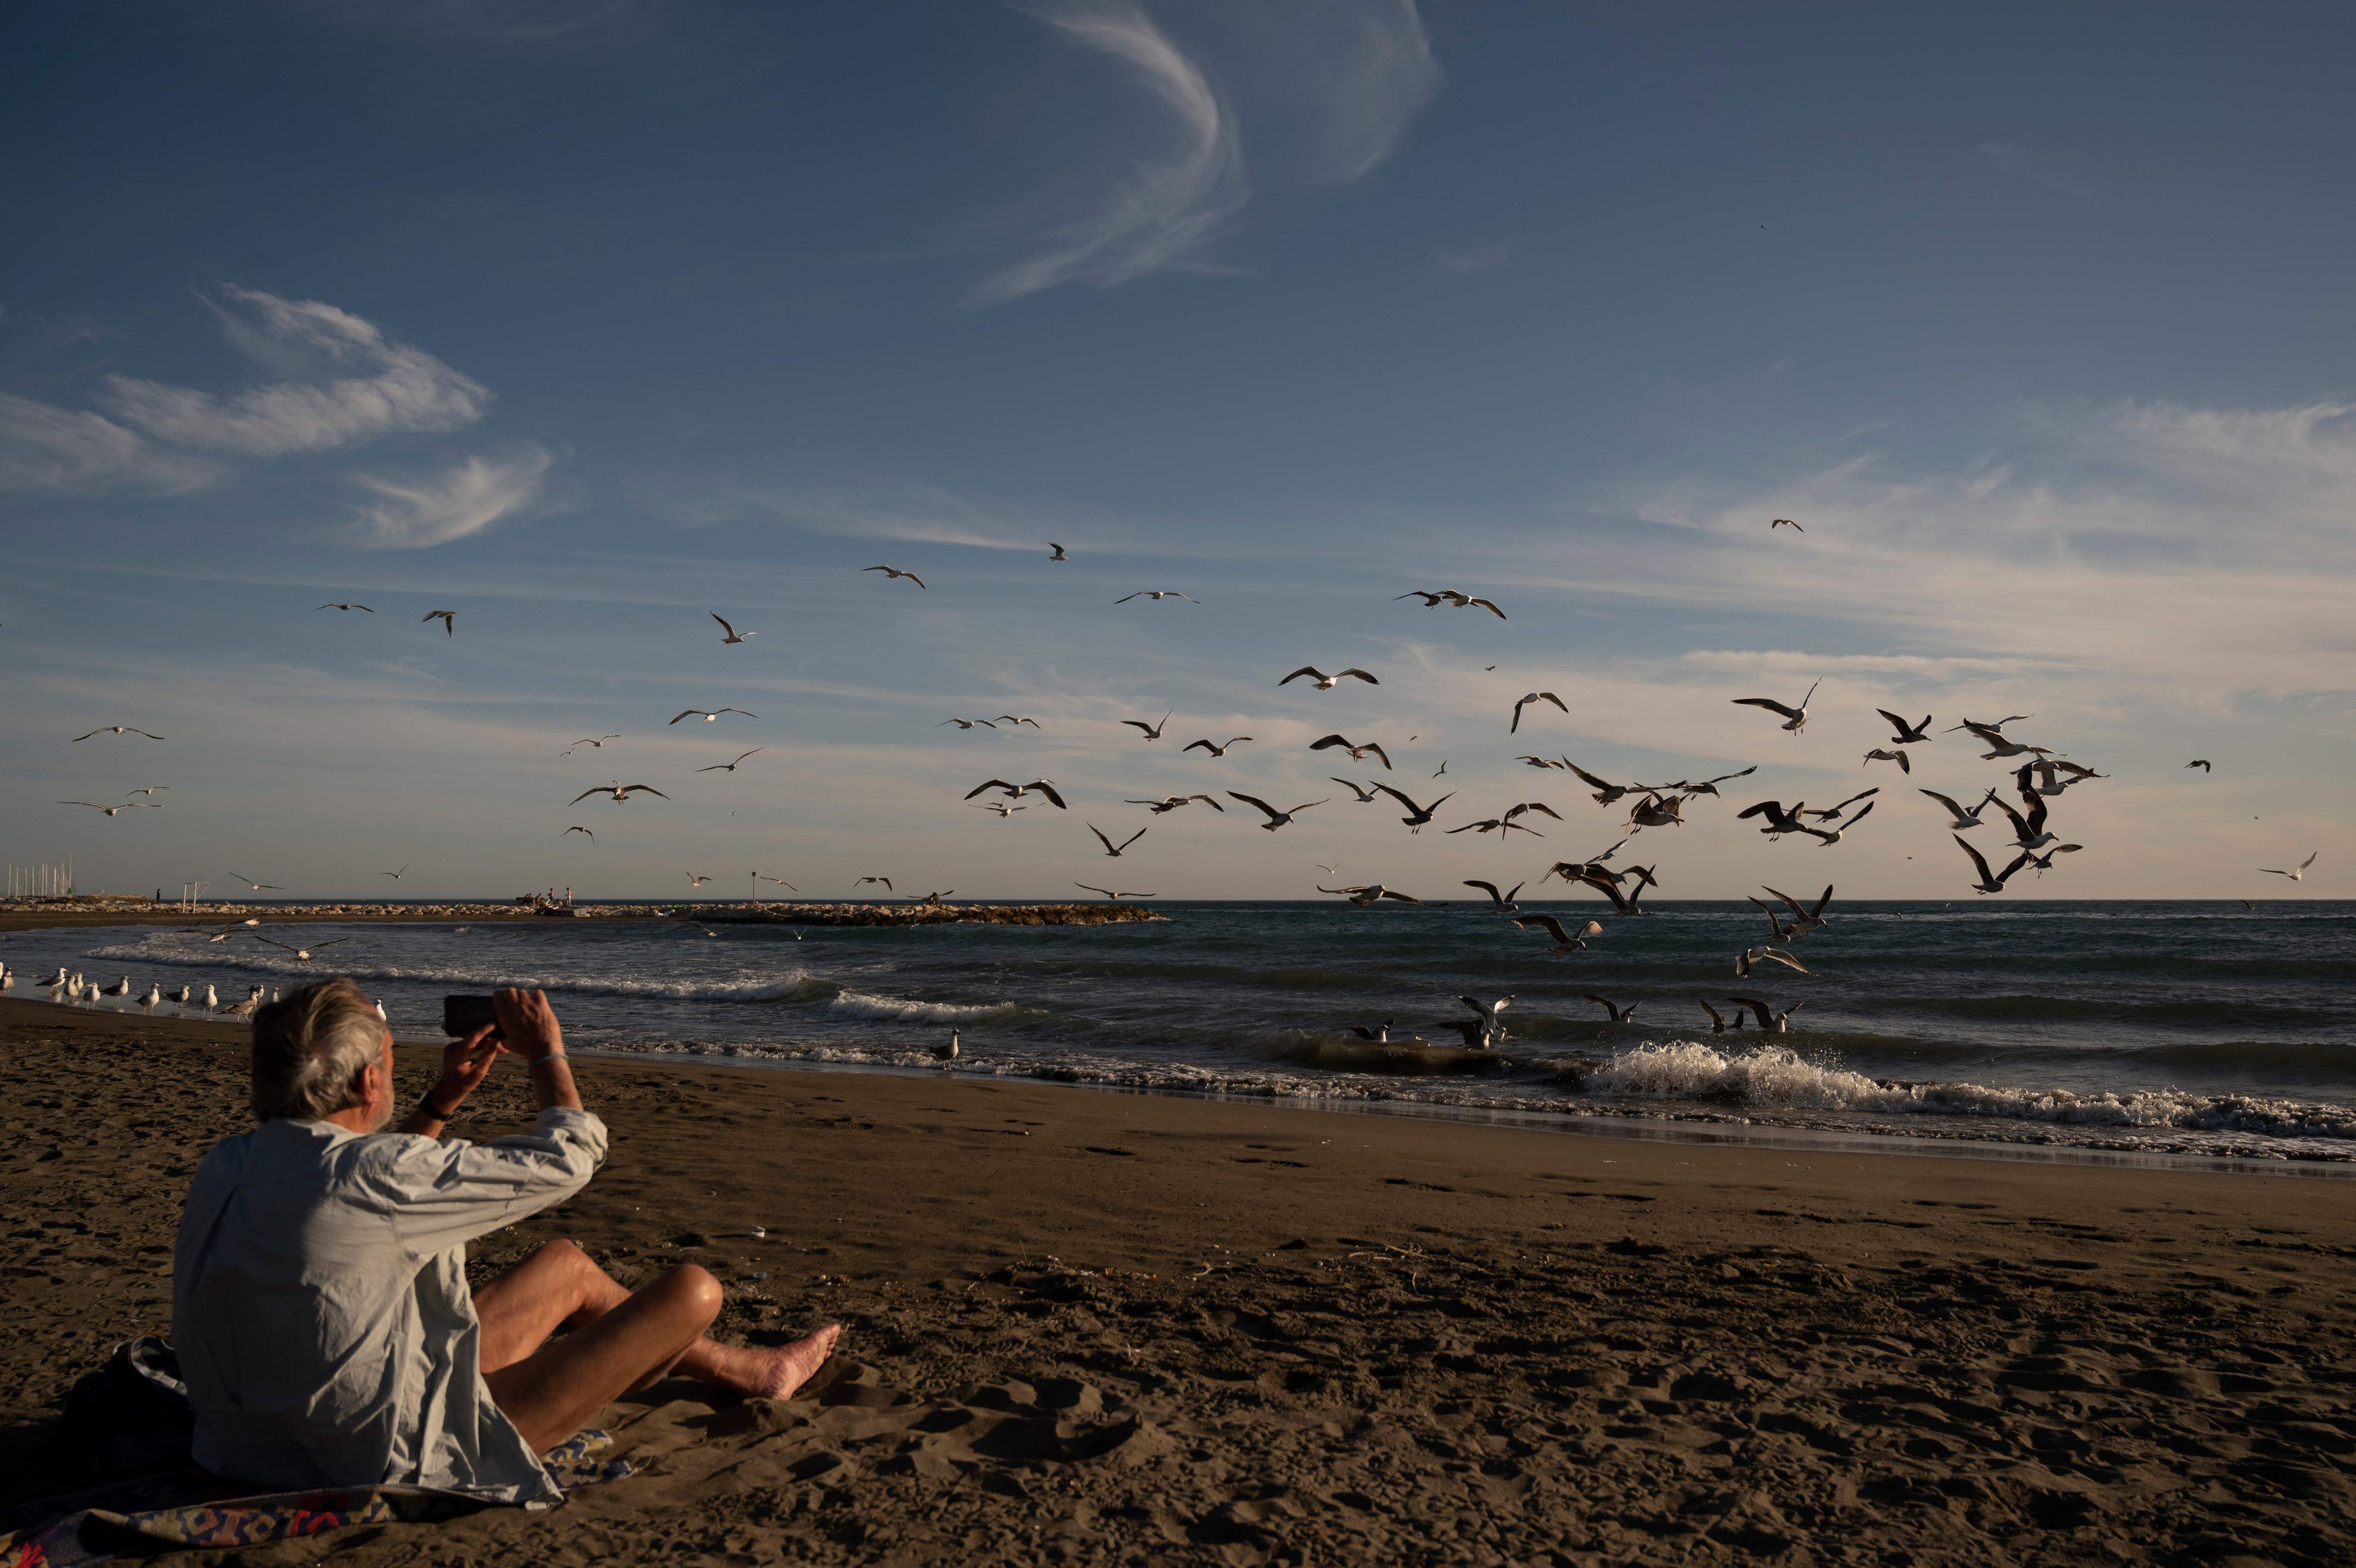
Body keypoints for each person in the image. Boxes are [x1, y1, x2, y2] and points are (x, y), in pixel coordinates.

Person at [171, 980, 838, 1504]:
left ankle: (750, 1371)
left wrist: (442, 1099)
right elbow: (572, 1154)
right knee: (695, 1290)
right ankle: (744, 1369)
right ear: (370, 1081)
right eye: (389, 1061)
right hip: (380, 1457)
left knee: (566, 1267)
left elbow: (356, 1196)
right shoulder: (377, 1174)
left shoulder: (226, 1163)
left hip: (238, 1445)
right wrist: (547, 1048)